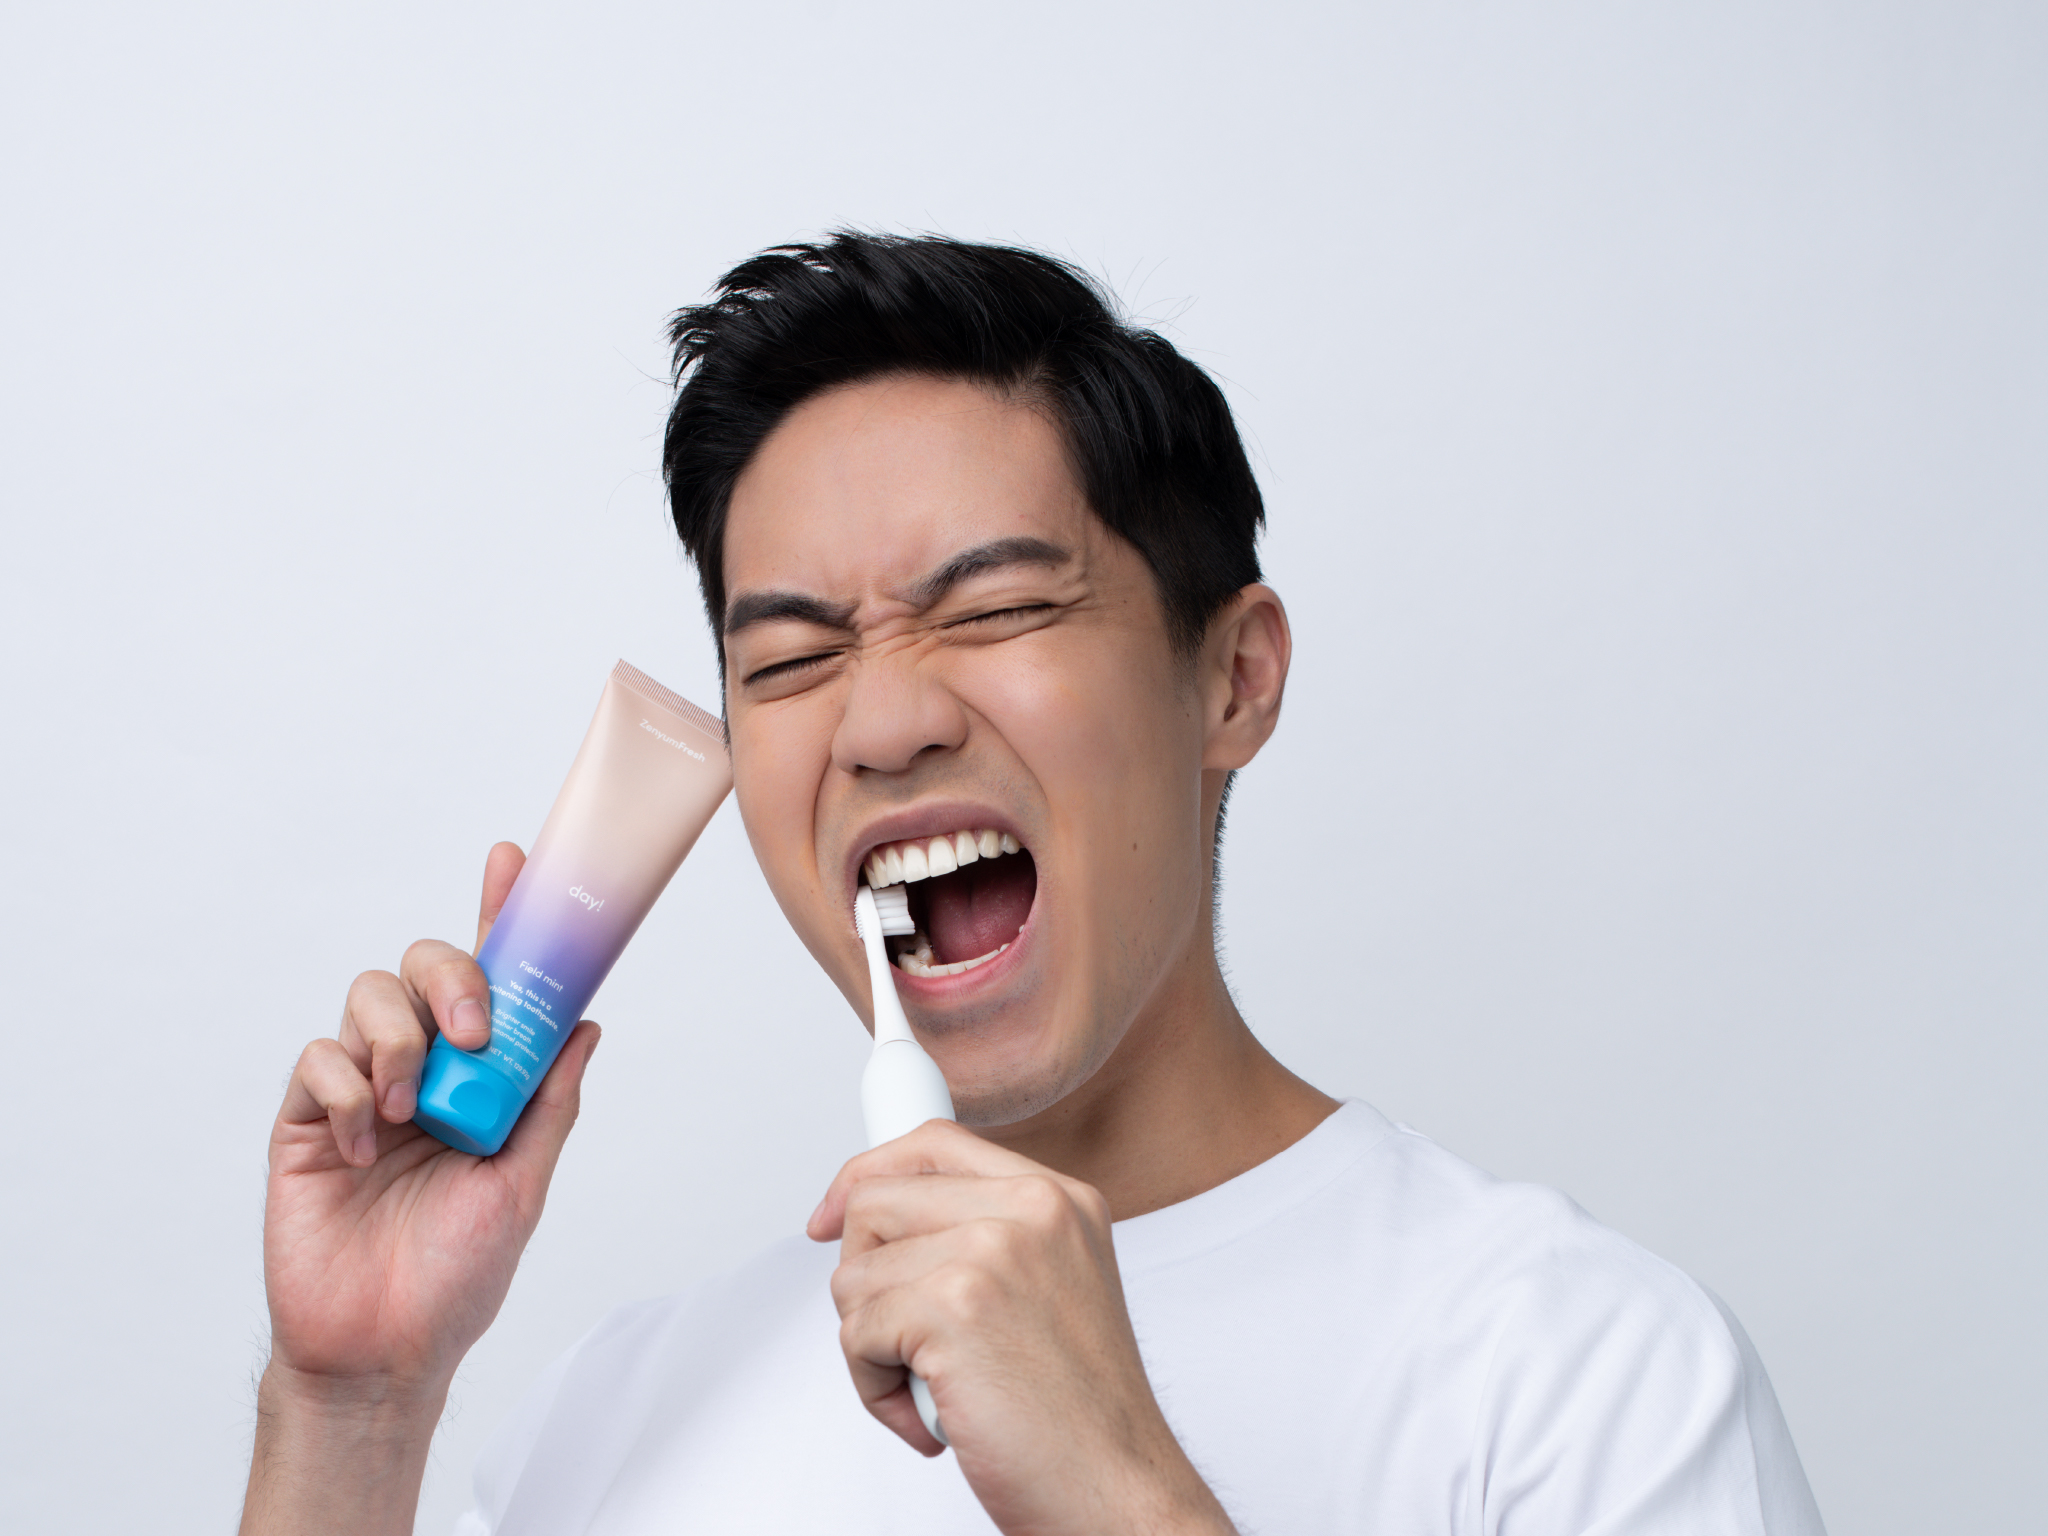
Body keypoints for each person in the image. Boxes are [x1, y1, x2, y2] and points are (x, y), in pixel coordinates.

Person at [241, 233, 1826, 1535]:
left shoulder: (1588, 1382)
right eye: (792, 659)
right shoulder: (611, 1418)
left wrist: (1116, 1489)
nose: (883, 720)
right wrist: (351, 1409)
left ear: (1234, 678)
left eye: (992, 612)